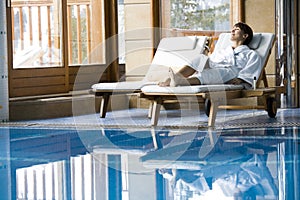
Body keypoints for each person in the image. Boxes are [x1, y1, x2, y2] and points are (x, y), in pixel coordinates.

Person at [159, 22, 262, 89]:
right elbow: (212, 61)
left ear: (245, 36)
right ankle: (175, 77)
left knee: (210, 74)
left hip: (230, 72)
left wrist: (240, 79)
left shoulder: (251, 54)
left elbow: (251, 69)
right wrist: (204, 64)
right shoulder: (224, 51)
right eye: (232, 29)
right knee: (200, 59)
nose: (232, 31)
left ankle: (180, 82)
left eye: (236, 29)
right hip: (216, 66)